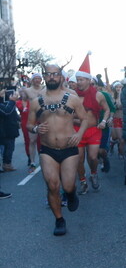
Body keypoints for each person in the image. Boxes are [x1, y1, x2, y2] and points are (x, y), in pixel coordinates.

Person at [27, 64, 90, 235]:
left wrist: (79, 134)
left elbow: (85, 119)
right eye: (48, 75)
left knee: (68, 186)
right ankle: (59, 220)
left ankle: (71, 194)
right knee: (53, 186)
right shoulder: (36, 101)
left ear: (61, 77)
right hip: (48, 150)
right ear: (45, 77)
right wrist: (35, 129)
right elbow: (29, 124)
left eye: (55, 74)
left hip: (69, 148)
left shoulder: (72, 98)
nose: (52, 77)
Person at [74, 56, 111, 194]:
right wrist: (73, 121)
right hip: (77, 130)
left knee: (93, 157)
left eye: (81, 80)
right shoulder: (72, 95)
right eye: (77, 80)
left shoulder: (98, 95)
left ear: (89, 80)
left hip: (94, 130)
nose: (79, 82)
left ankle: (94, 173)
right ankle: (83, 181)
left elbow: (107, 110)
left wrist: (103, 121)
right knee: (79, 159)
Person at [22, 72, 45, 172]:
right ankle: (32, 162)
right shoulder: (27, 90)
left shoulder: (45, 89)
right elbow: (23, 100)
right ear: (32, 80)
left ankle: (45, 160)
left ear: (41, 80)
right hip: (33, 117)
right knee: (32, 140)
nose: (37, 80)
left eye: (38, 78)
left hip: (44, 116)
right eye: (35, 78)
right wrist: (25, 108)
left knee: (45, 140)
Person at [0, 89, 20, 172]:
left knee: (9, 147)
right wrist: (12, 101)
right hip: (4, 131)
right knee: (8, 148)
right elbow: (6, 112)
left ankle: (7, 164)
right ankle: (6, 164)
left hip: (8, 129)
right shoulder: (10, 103)